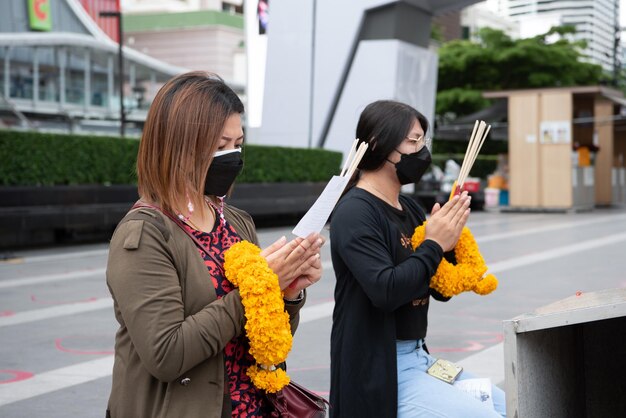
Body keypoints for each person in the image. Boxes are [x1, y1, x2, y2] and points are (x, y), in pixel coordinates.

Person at [106, 71, 324, 418]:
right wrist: (257, 288)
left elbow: (266, 342)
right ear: (177, 145)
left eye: (238, 144)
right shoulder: (145, 234)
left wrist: (286, 292)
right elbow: (166, 354)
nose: (233, 156)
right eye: (221, 146)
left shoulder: (236, 221)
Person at [329, 100, 506, 417]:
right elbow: (386, 291)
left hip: (419, 356)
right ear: (380, 145)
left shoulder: (409, 208)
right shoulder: (355, 211)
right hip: (381, 364)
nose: (421, 150)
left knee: (508, 404)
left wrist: (449, 243)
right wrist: (434, 244)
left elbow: (437, 288)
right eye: (412, 140)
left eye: (423, 140)